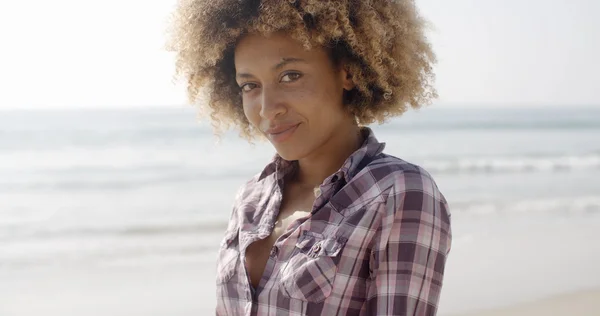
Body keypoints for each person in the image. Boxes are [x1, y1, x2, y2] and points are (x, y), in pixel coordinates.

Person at [167, 0, 452, 315]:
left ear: (348, 72)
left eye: (290, 76)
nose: (266, 108)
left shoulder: (398, 193)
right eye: (249, 85)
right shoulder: (251, 199)